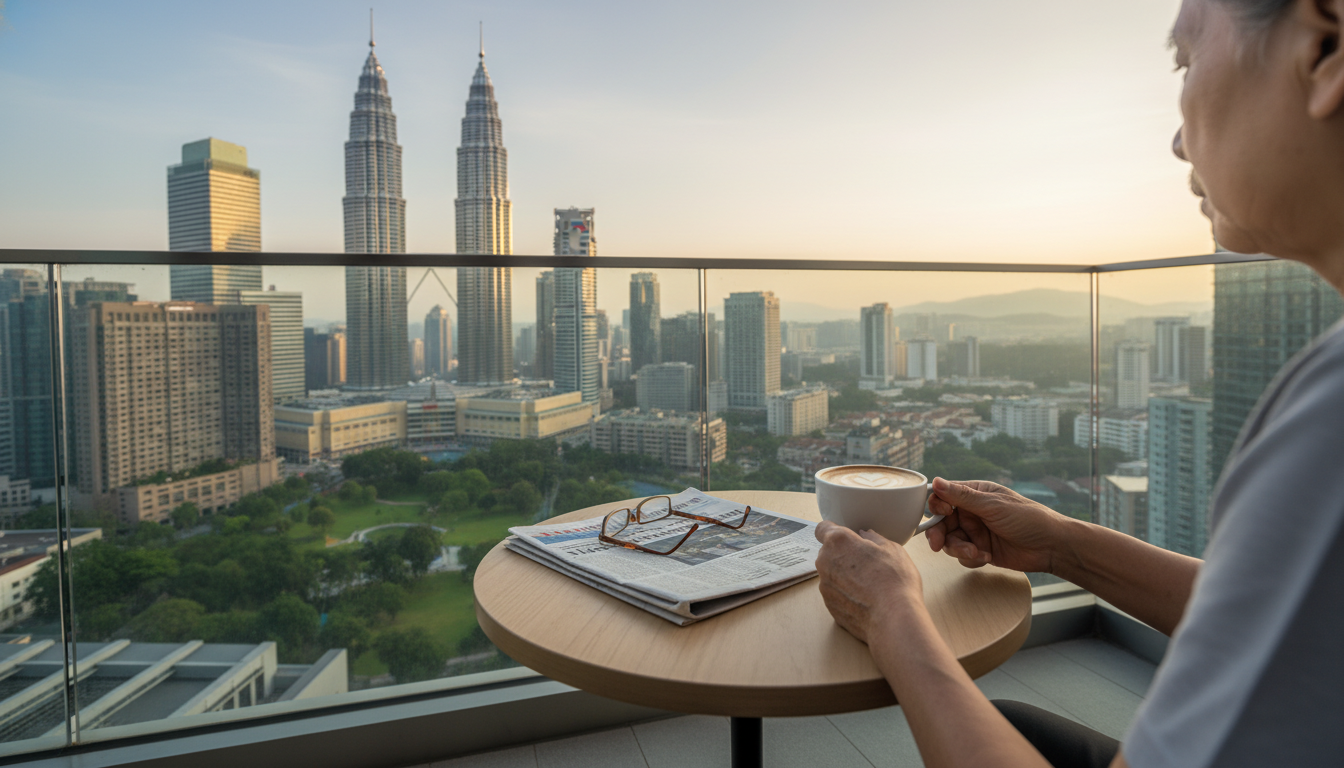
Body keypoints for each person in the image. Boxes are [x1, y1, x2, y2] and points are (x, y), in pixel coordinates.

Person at [813, 0, 1344, 766]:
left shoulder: (1329, 419)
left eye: (1186, 61)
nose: (1174, 137)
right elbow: (1284, 621)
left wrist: (892, 615)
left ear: (1325, 45)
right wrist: (1062, 545)